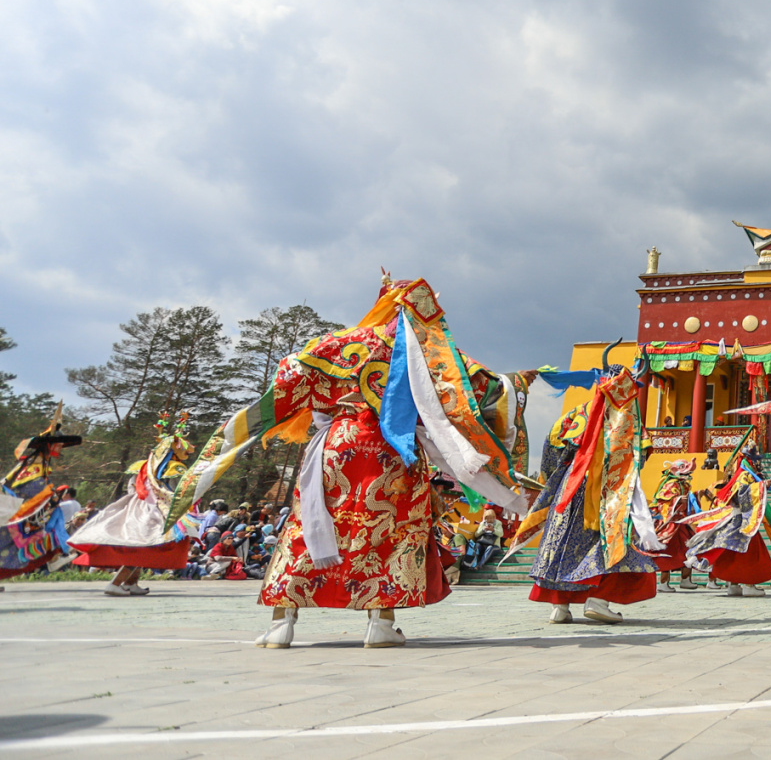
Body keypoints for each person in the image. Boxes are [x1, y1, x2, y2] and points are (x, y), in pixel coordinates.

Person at [171, 275, 531, 649]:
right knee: (390, 530)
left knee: (309, 523)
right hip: (394, 449)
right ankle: (380, 623)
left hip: (336, 446)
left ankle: (282, 622)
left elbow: (291, 370)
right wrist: (518, 382)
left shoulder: (339, 343)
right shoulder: (428, 350)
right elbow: (482, 389)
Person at [528, 365, 660, 625]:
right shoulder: (628, 415)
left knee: (562, 543)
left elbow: (551, 450)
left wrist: (554, 483)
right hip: (609, 488)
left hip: (571, 485)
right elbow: (639, 456)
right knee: (608, 540)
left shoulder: (575, 414)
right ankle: (598, 601)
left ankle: (560, 606)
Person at [69, 412, 201, 595]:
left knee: (144, 549)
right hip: (149, 510)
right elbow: (175, 490)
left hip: (139, 507)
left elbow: (134, 487)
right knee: (142, 549)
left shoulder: (145, 467)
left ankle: (131, 583)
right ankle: (115, 583)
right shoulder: (169, 468)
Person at [682, 445, 771, 597]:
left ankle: (734, 585)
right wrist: (761, 486)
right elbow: (741, 494)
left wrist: (761, 486)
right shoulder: (744, 475)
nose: (757, 462)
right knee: (750, 552)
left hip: (738, 519)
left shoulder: (744, 474)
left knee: (732, 552)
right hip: (742, 520)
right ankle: (748, 585)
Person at [0, 407, 84, 587]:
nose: (61, 447)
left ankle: (56, 554)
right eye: (58, 444)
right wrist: (50, 494)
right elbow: (30, 487)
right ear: (49, 445)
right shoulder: (35, 465)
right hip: (15, 510)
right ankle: (57, 555)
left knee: (55, 517)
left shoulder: (41, 463)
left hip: (23, 510)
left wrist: (50, 495)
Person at [651, 459, 702, 592]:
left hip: (682, 523)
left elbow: (688, 502)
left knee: (689, 549)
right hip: (671, 524)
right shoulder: (670, 484)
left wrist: (695, 496)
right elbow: (662, 500)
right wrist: (677, 499)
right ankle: (663, 582)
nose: (688, 475)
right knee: (668, 551)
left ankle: (685, 579)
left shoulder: (683, 485)